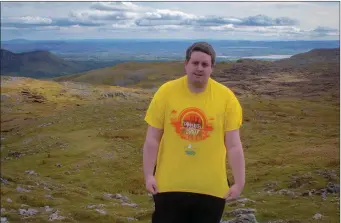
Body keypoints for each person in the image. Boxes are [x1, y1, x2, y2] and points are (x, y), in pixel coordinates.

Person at [142, 42, 245, 223]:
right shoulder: (166, 92)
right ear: (186, 64)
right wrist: (149, 175)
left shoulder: (227, 98)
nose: (199, 68)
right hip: (168, 187)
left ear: (212, 67)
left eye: (205, 64)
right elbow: (152, 139)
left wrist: (239, 182)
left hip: (211, 190)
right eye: (195, 63)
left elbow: (234, 145)